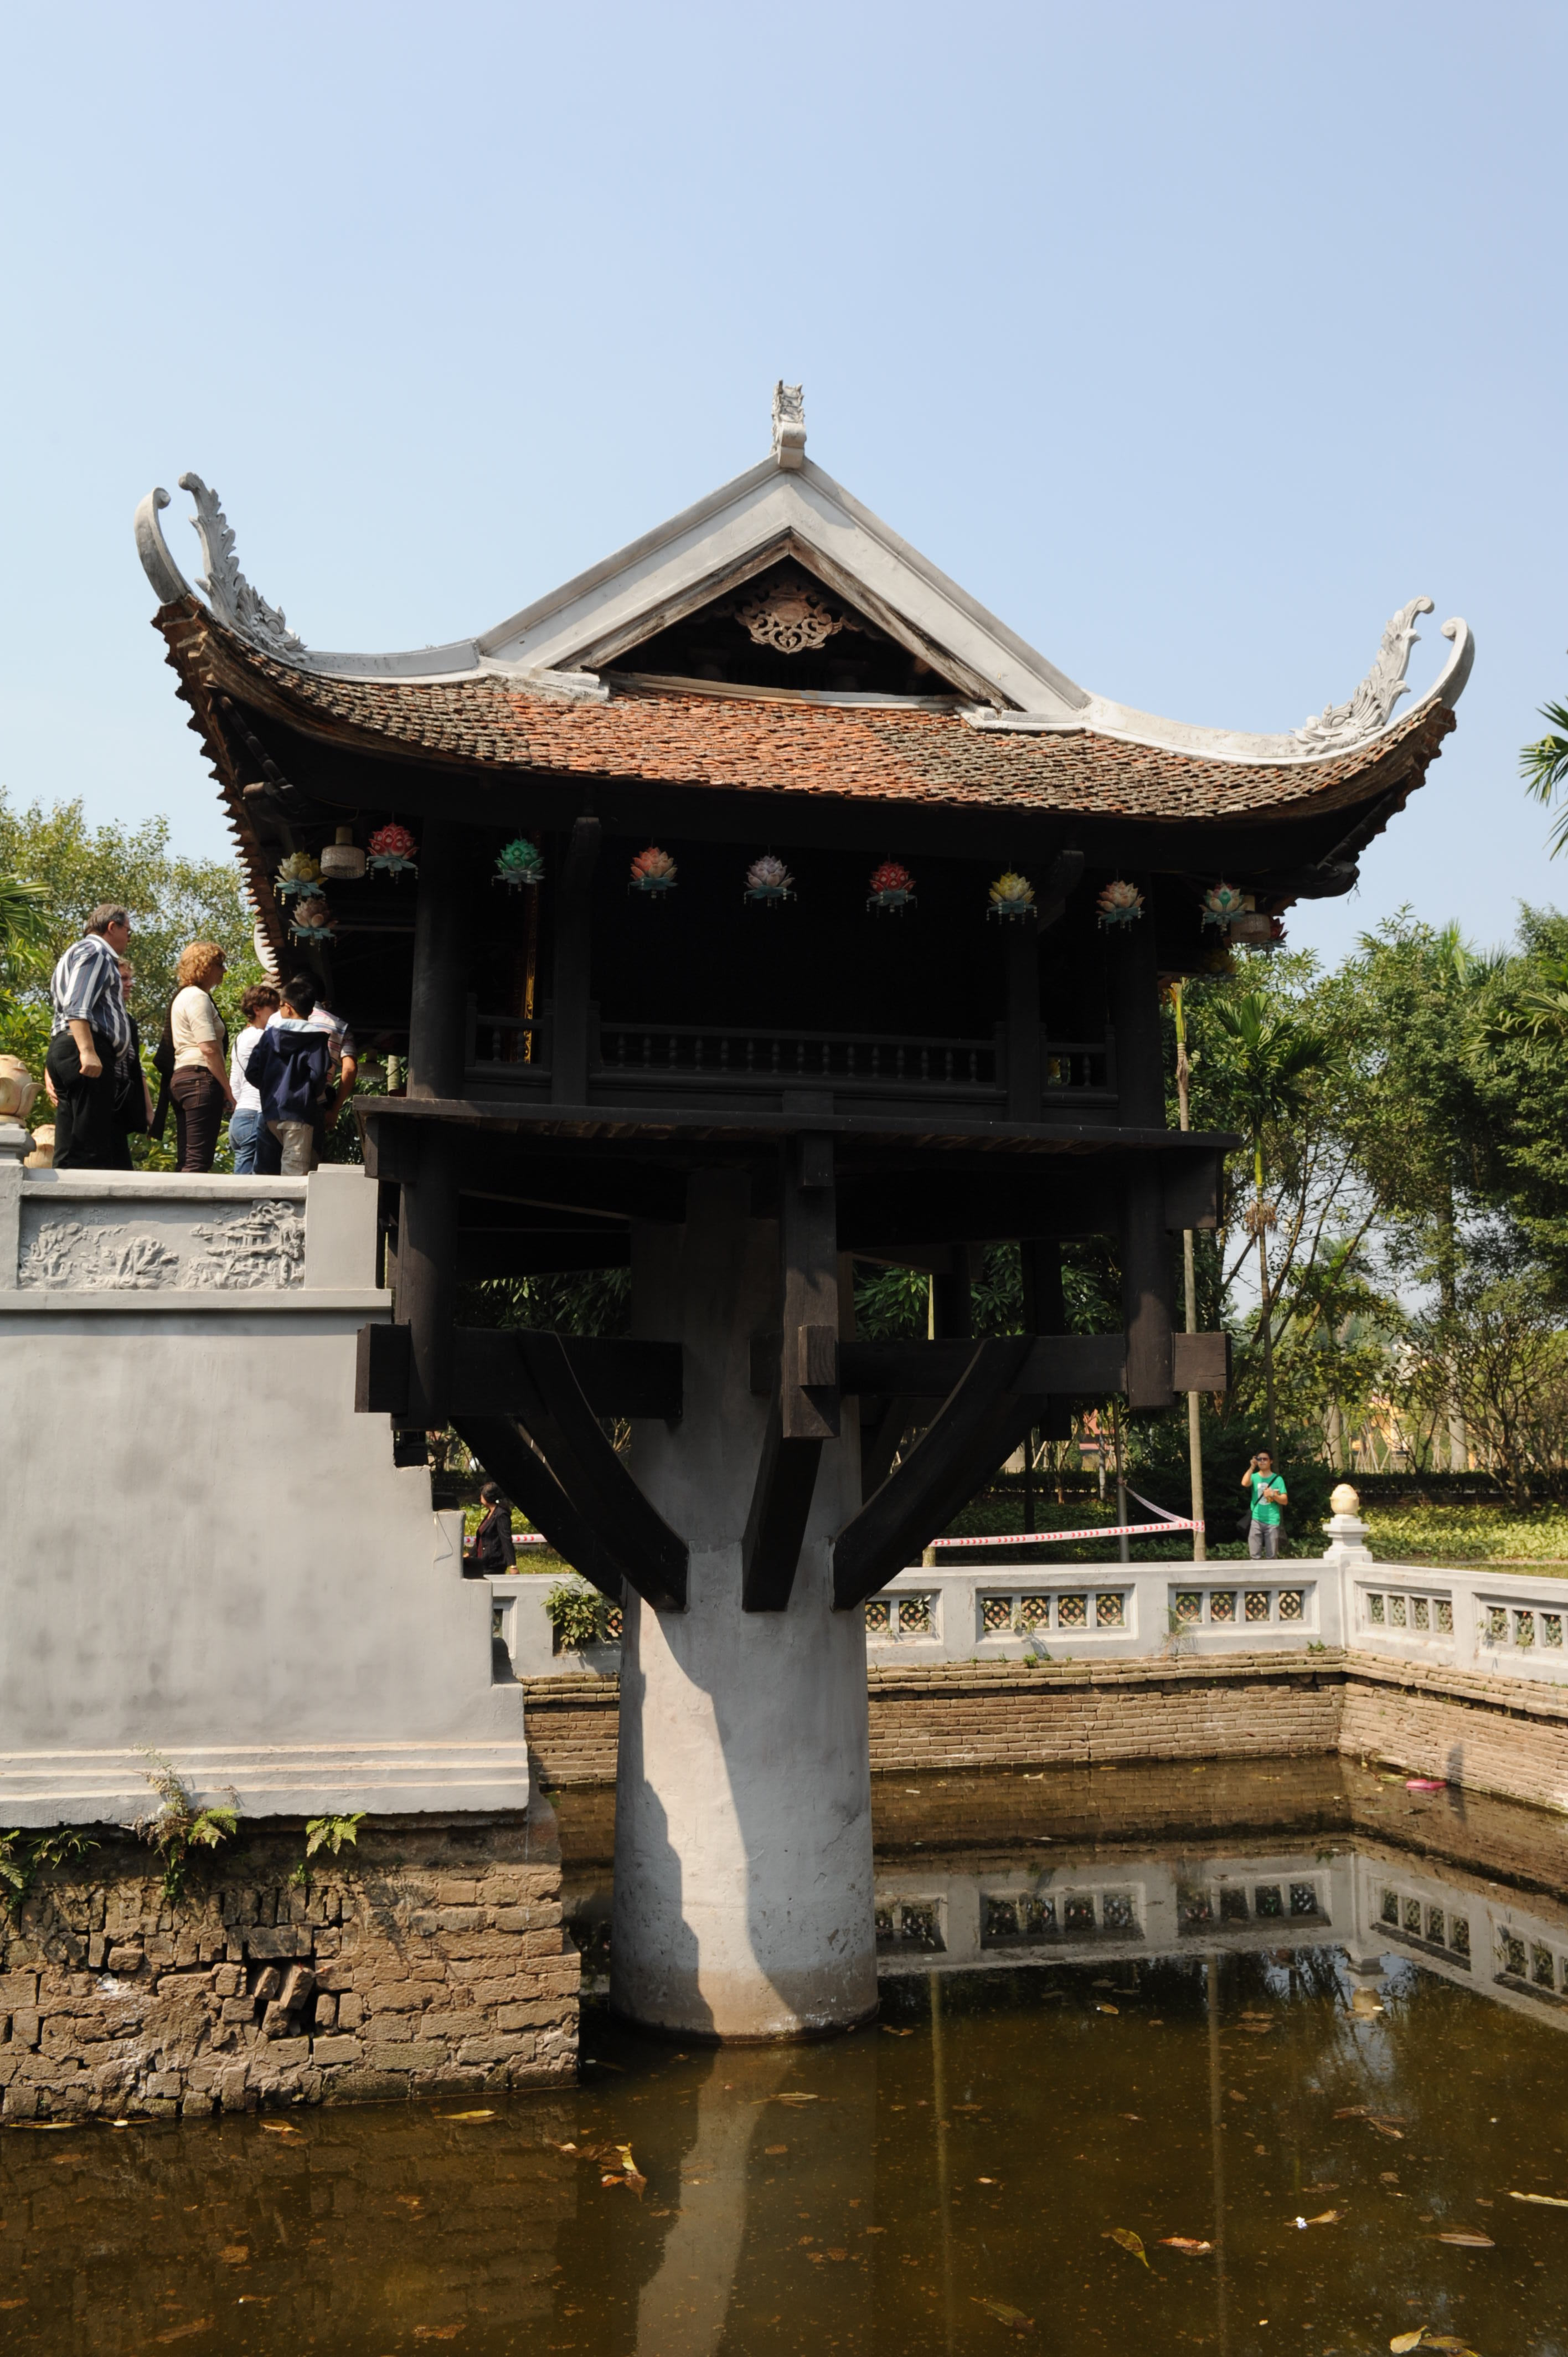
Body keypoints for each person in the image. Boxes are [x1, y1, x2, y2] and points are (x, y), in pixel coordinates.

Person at [45, 903, 134, 1169]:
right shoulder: (96, 951)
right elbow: (77, 1005)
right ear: (112, 927)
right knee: (90, 1144)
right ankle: (83, 1209)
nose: (129, 938)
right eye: (128, 931)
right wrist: (87, 1051)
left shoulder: (74, 952)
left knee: (71, 1141)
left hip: (67, 1046)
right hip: (85, 1047)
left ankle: (63, 1204)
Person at [243, 977, 334, 1175]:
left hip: (270, 1112)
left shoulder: (268, 1037)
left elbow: (252, 1072)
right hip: (299, 1114)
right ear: (310, 1011)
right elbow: (319, 1074)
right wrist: (306, 1093)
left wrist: (270, 1088)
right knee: (294, 1175)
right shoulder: (317, 1040)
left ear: (288, 1007)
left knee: (266, 1173)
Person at [166, 942, 234, 1173]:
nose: (224, 971)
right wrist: (228, 1090)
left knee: (186, 1159)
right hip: (199, 1079)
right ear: (205, 966)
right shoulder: (198, 998)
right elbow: (209, 1048)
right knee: (197, 1162)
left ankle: (175, 1207)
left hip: (181, 1078)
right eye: (220, 965)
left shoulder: (182, 997)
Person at [228, 982, 281, 1174]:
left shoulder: (241, 1038)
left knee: (243, 1176)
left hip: (240, 1116)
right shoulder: (263, 1037)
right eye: (274, 1008)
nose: (278, 1013)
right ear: (257, 1009)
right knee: (248, 1185)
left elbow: (235, 1082)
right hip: (255, 1115)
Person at [109, 955, 155, 1168]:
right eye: (124, 979)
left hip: (120, 1104)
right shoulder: (96, 1016)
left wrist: (148, 1112)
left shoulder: (128, 1021)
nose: (130, 984)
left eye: (130, 979)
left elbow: (137, 1069)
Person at [1241, 1449, 1288, 1559]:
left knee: (1272, 1556)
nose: (1262, 1461)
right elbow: (1244, 1483)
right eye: (1259, 1459)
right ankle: (1255, 1576)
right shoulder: (1255, 1476)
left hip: (1272, 1521)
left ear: (1271, 1461)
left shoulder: (1278, 1479)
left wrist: (1273, 1495)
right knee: (1254, 1556)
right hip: (1256, 1520)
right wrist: (1252, 1467)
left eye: (1265, 1459)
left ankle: (1272, 1576)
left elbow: (1285, 1501)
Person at [469, 1482, 517, 1575]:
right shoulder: (491, 1513)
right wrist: (470, 1553)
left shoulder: (501, 1515)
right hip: (482, 1561)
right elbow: (483, 1537)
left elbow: (506, 1540)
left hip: (493, 1564)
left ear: (487, 1497)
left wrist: (513, 1565)